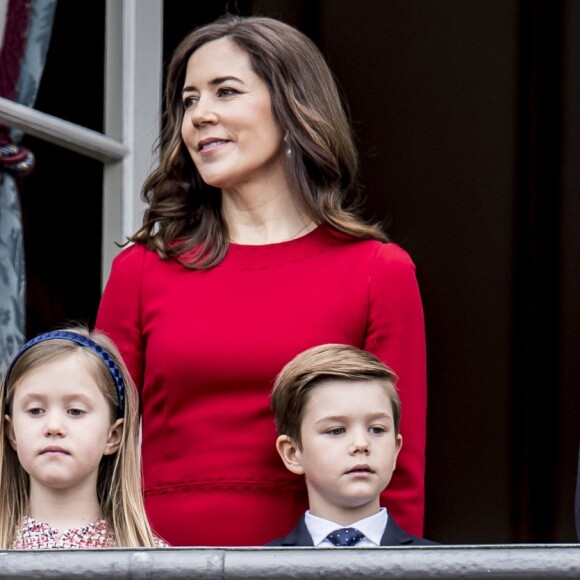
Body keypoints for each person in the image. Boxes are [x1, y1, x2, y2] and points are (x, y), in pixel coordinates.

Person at [96, 13, 427, 546]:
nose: (200, 115)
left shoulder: (377, 271)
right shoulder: (140, 271)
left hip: (318, 565)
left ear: (293, 107)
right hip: (158, 560)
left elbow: (401, 472)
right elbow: (98, 448)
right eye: (189, 100)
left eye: (225, 91)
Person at [0, 326, 166, 549]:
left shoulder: (148, 557)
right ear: (12, 433)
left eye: (75, 411)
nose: (54, 427)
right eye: (36, 411)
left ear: (113, 435)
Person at [266, 344, 434, 547]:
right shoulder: (252, 571)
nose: (362, 444)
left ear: (395, 450)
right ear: (292, 453)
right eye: (336, 430)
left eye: (377, 429)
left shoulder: (446, 568)